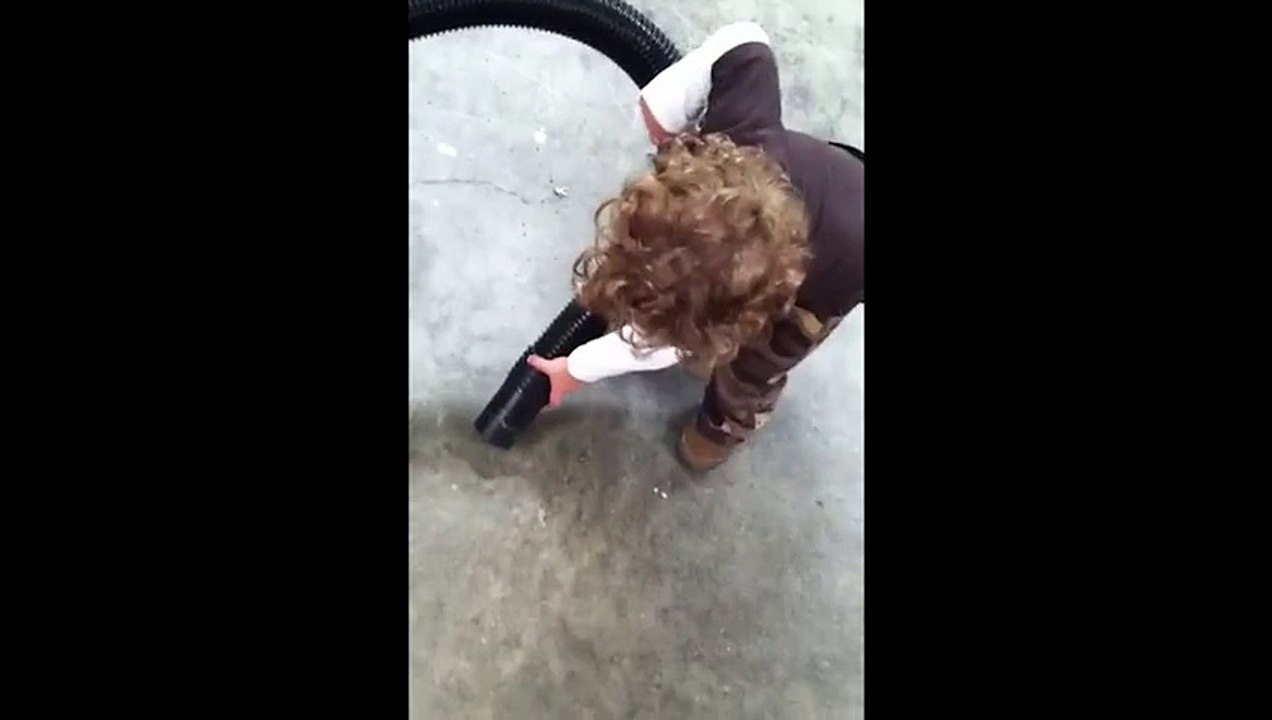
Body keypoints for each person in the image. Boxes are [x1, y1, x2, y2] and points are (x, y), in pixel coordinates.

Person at [527, 21, 864, 472]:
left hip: (841, 266)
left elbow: (650, 347)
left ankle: (724, 427)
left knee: (754, 368)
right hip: (838, 180)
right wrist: (664, 109)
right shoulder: (741, 131)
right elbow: (746, 42)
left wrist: (575, 370)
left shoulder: (696, 325)